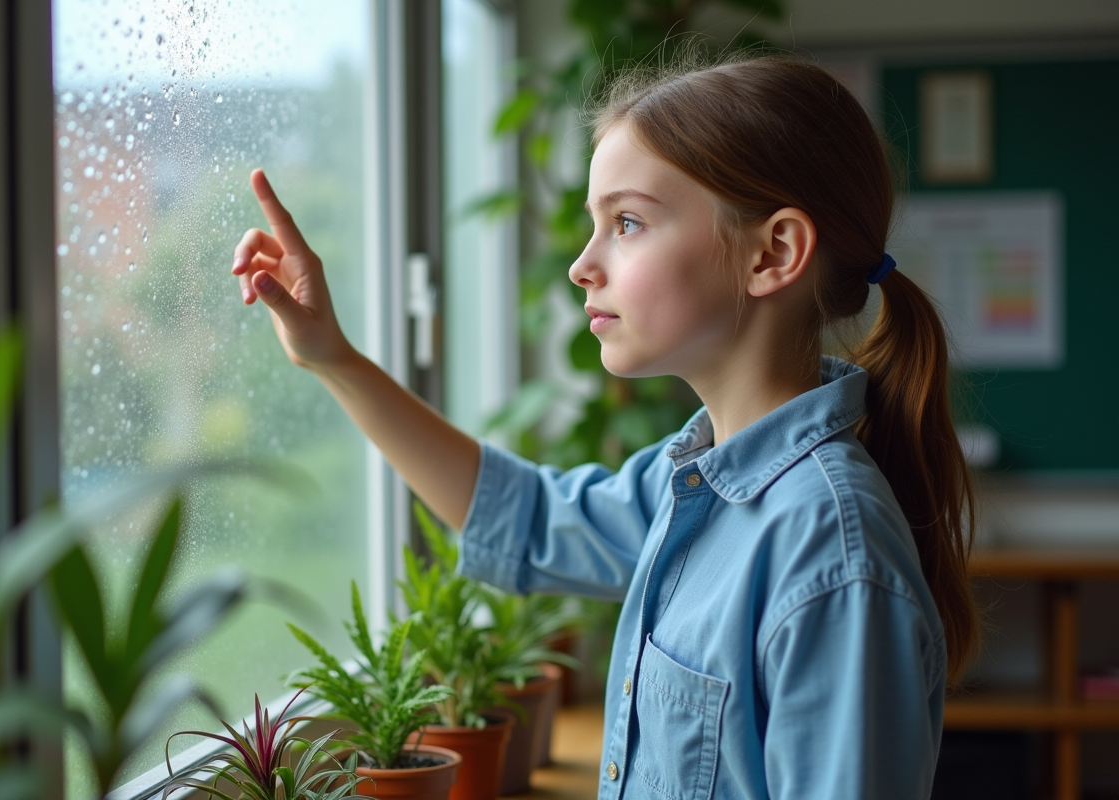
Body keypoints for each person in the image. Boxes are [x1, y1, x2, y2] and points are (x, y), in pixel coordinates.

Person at [231, 55, 978, 800]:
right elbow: (523, 520)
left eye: (626, 222)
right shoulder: (690, 480)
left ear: (773, 252)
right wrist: (336, 360)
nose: (583, 266)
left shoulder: (829, 555)